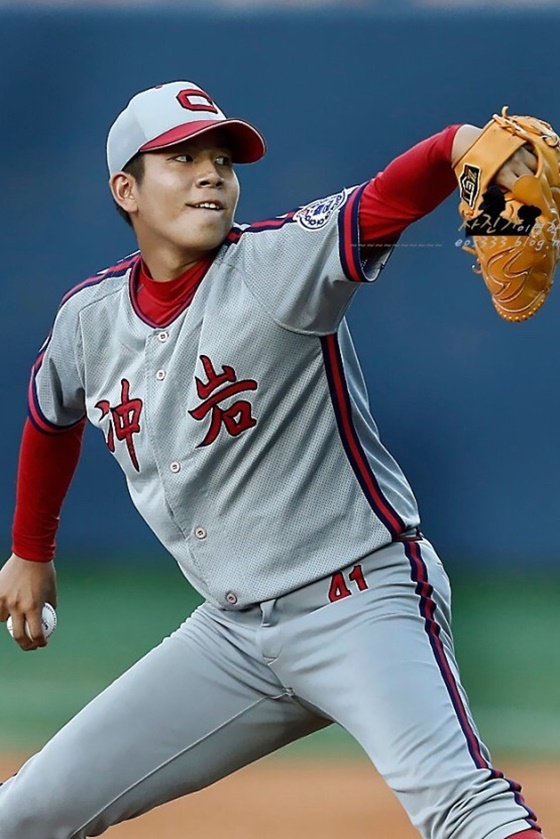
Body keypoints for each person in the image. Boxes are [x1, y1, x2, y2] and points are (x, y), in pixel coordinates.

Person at [0, 81, 544, 839]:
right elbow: (50, 415)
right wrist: (31, 550)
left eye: (222, 161)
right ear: (126, 189)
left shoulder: (275, 263)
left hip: (361, 602)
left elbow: (385, 199)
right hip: (232, 636)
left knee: (466, 810)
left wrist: (457, 144)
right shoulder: (89, 319)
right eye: (182, 158)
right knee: (24, 812)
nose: (210, 174)